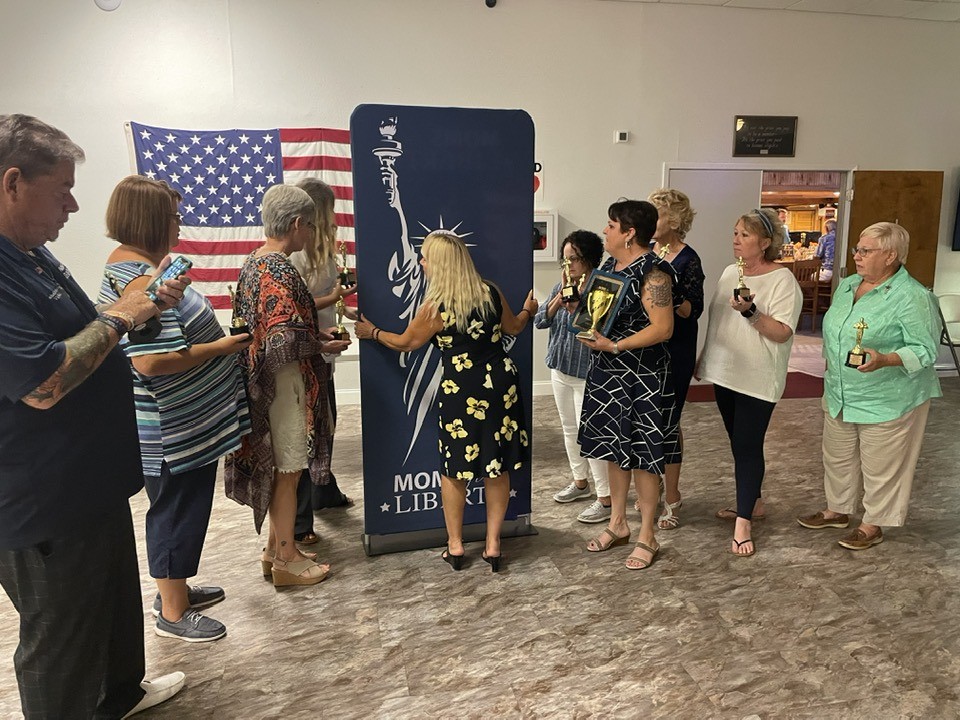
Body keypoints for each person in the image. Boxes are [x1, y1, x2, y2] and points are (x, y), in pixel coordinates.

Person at [0, 115, 186, 717]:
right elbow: (43, 383)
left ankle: (120, 695)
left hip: (88, 480)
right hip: (43, 498)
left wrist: (141, 307)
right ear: (12, 184)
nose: (74, 206)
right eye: (62, 191)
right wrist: (121, 316)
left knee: (109, 601)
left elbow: (85, 332)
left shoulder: (30, 253)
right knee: (61, 635)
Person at [100, 175, 252, 642]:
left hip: (186, 424)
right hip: (174, 429)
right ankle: (172, 612)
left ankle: (175, 589)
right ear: (149, 219)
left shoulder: (140, 269)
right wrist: (223, 347)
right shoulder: (138, 279)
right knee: (176, 510)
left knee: (183, 507)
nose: (179, 225)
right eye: (173, 216)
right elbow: (151, 361)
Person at [354, 230, 536, 572]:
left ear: (439, 265)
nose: (421, 262)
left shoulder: (434, 308)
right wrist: (528, 310)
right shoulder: (491, 292)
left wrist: (373, 332)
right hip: (501, 386)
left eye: (425, 257)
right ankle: (493, 545)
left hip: (461, 391)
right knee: (496, 467)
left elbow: (406, 343)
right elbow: (514, 328)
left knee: (455, 472)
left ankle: (455, 545)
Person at [224, 184, 350, 587]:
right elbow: (283, 337)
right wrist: (320, 344)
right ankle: (286, 559)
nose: (311, 234)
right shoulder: (278, 269)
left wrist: (314, 336)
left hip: (266, 380)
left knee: (282, 467)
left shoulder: (255, 262)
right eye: (309, 226)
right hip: (283, 382)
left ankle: (274, 550)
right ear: (296, 224)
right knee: (289, 470)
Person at [797, 222, 941, 550]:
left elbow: (926, 350)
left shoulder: (913, 296)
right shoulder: (849, 285)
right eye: (857, 249)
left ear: (890, 256)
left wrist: (885, 359)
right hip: (841, 392)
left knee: (882, 465)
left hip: (888, 397)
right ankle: (837, 510)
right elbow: (835, 331)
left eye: (865, 251)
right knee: (838, 456)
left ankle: (873, 523)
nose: (857, 256)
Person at [697, 208, 802, 557]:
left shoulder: (783, 280)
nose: (736, 239)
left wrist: (751, 313)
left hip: (757, 377)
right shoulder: (731, 272)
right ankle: (752, 503)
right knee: (737, 441)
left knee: (747, 445)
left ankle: (743, 522)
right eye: (735, 232)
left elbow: (783, 333)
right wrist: (705, 358)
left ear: (766, 242)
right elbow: (718, 321)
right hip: (725, 372)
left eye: (745, 234)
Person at [577, 199, 676, 571]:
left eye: (611, 225)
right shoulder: (609, 266)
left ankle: (647, 534)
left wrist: (616, 345)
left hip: (642, 377)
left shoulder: (655, 274)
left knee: (644, 456)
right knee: (613, 449)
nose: (605, 230)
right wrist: (583, 318)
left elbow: (663, 328)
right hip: (606, 372)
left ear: (629, 233)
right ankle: (617, 523)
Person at [288, 178, 356, 547]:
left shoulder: (323, 249)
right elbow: (294, 307)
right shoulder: (296, 255)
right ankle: (300, 520)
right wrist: (334, 297)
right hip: (306, 352)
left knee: (326, 422)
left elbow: (328, 298)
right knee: (307, 432)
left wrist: (346, 307)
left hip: (324, 349)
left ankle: (324, 490)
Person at [534, 230, 610, 524]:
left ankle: (605, 498)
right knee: (568, 429)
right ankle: (580, 483)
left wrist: (576, 306)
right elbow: (540, 320)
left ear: (589, 259)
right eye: (564, 260)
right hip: (560, 368)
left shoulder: (601, 289)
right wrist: (558, 299)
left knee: (589, 434)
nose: (569, 265)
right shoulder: (561, 286)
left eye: (574, 259)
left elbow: (593, 329)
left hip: (586, 372)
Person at [644, 188, 705, 530]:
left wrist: (670, 283)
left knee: (668, 423)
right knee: (646, 421)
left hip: (676, 349)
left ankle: (672, 495)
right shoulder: (645, 252)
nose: (652, 221)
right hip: (646, 348)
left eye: (659, 214)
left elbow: (691, 310)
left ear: (676, 220)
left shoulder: (689, 259)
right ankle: (650, 487)